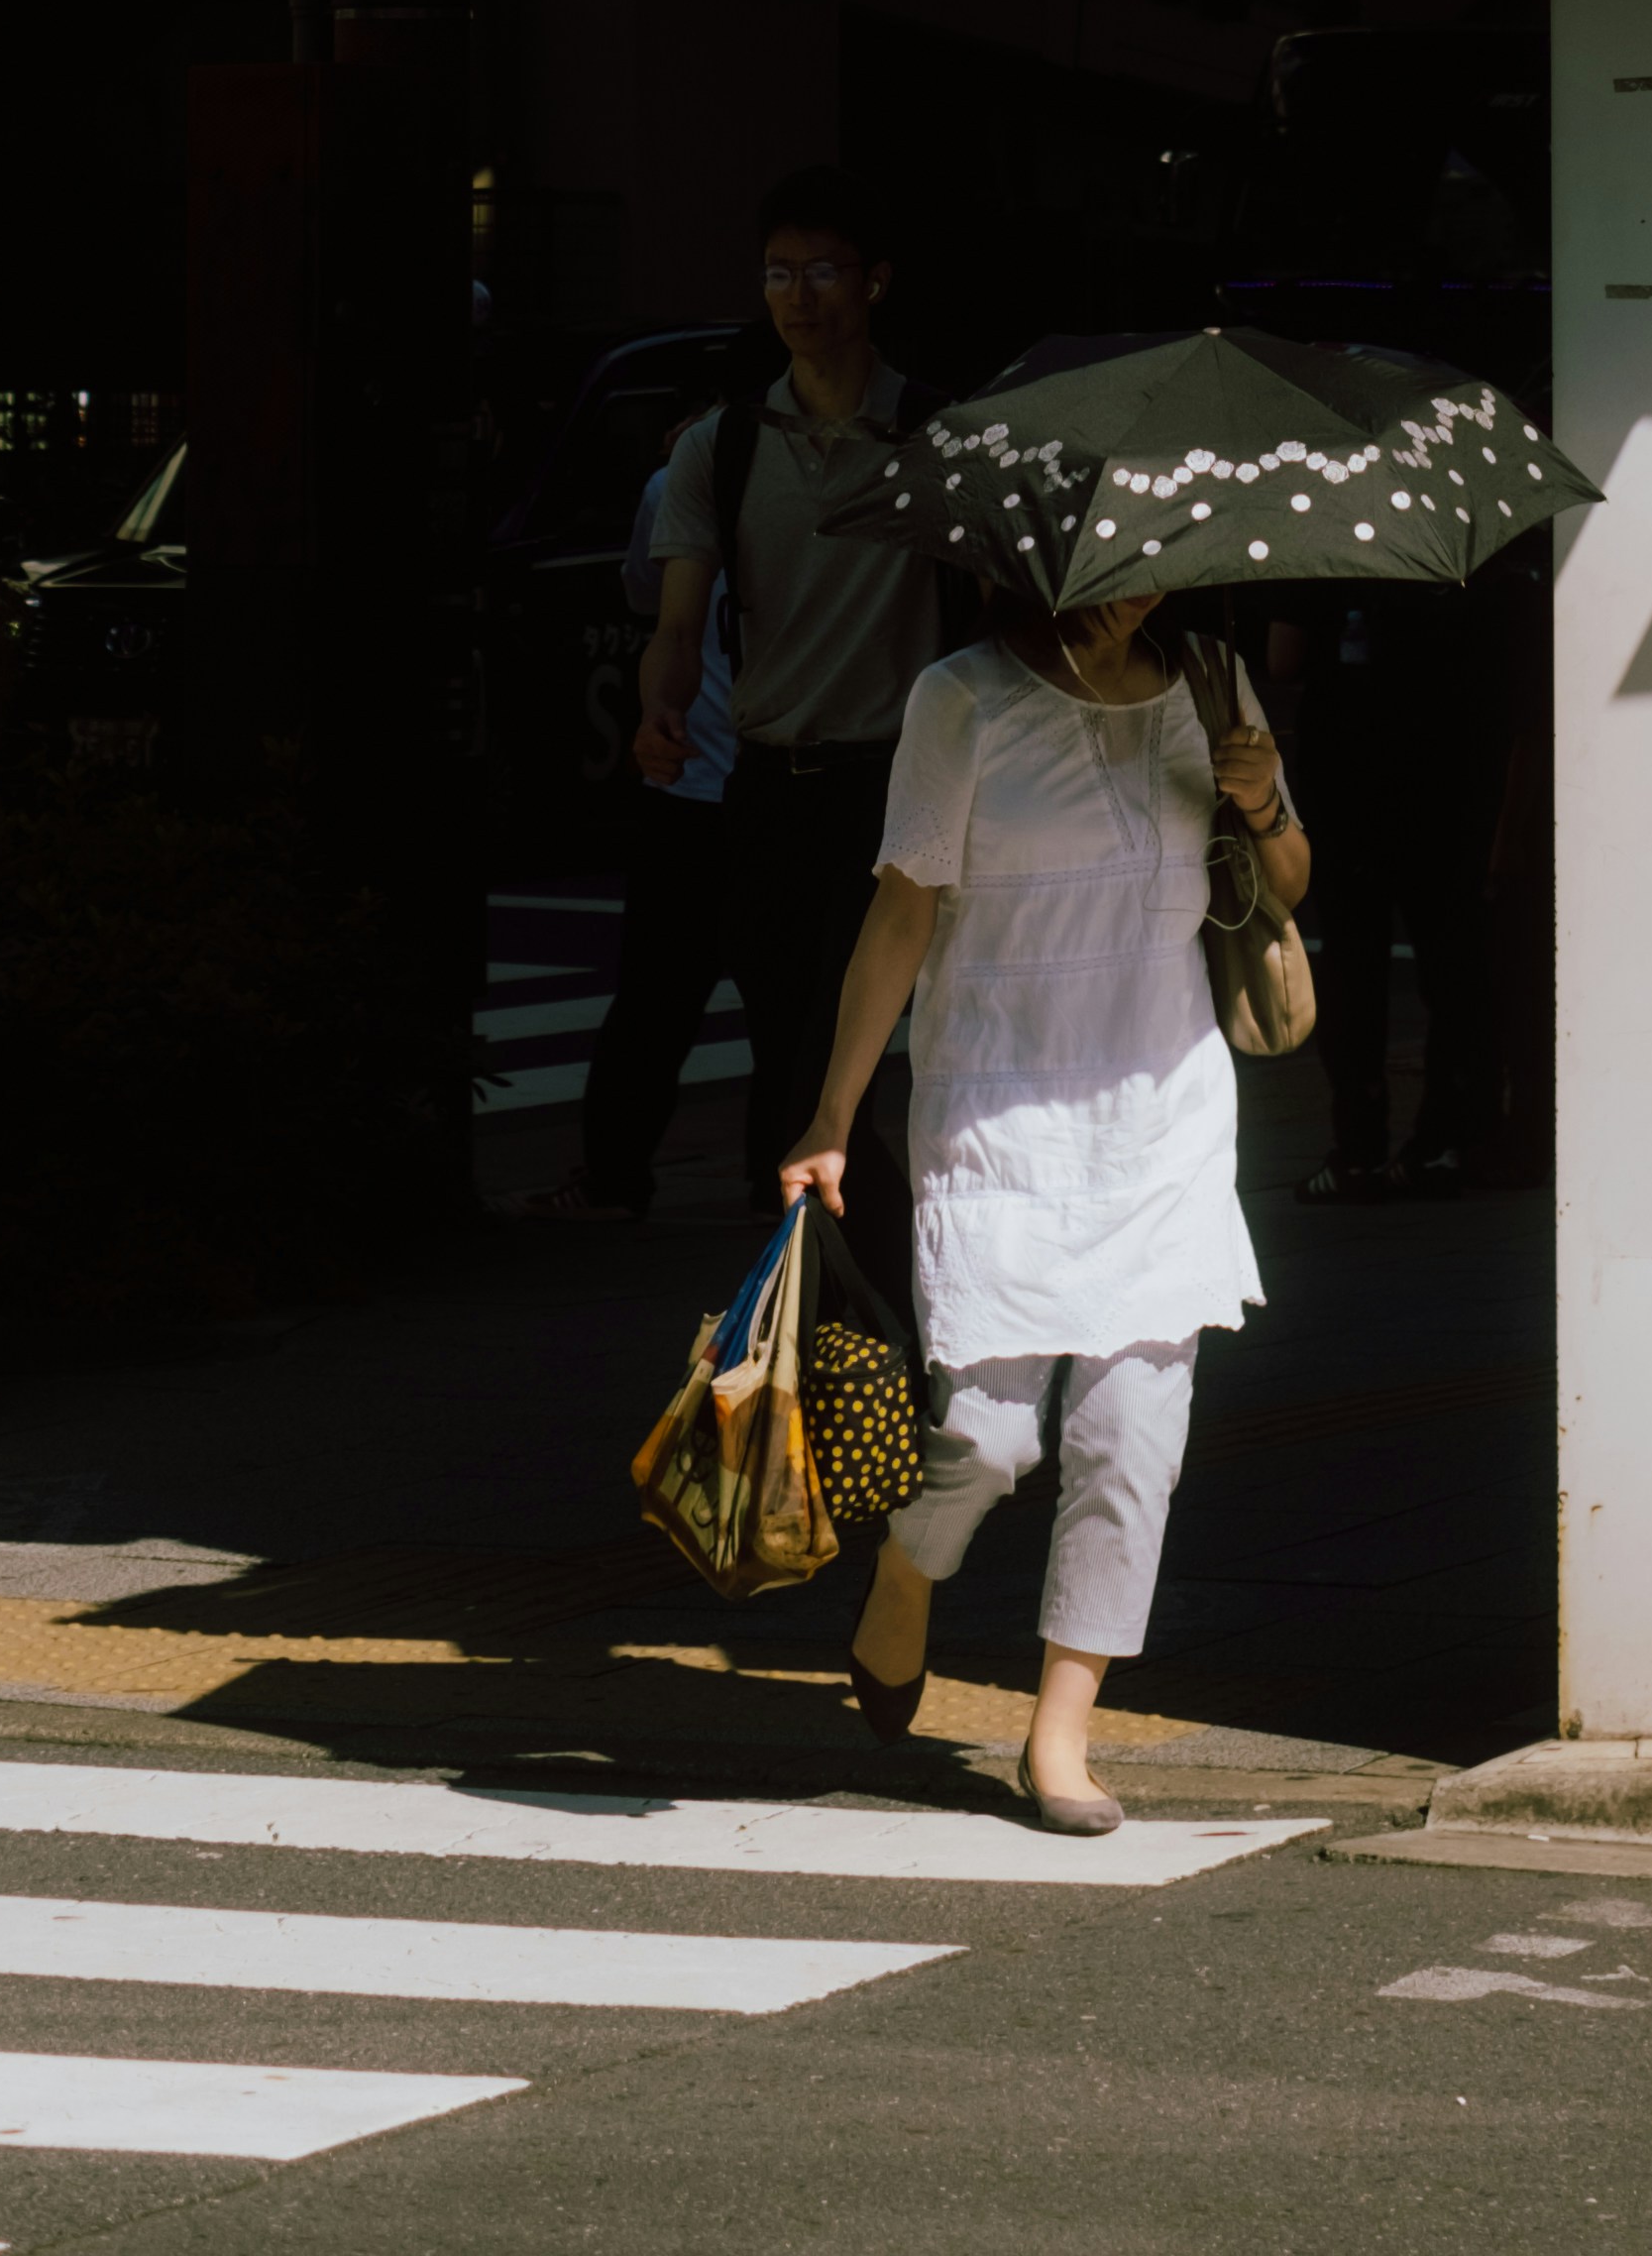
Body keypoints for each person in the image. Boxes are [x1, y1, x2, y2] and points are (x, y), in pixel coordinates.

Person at [780, 576, 1306, 1836]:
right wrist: (833, 1114)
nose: (1140, 586)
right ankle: (906, 1568)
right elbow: (902, 908)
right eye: (1107, 558)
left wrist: (1262, 799)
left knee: (1132, 1444)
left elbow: (1285, 877)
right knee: (990, 1439)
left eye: (1154, 562)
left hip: (1162, 1111)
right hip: (999, 1102)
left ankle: (1058, 1733)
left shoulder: (1210, 682)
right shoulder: (958, 698)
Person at [639, 184, 933, 1294]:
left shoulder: (930, 434)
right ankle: (842, 1313)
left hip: (897, 787)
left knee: (827, 1065)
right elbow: (678, 622)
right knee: (786, 1067)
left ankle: (891, 1310)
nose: (795, 297)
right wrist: (658, 708)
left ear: (874, 282)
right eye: (776, 272)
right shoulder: (723, 446)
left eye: (820, 271)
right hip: (765, 788)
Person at [516, 459, 740, 1224]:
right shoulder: (840, 465)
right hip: (769, 770)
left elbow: (648, 596)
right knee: (792, 1001)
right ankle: (783, 1189)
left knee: (655, 999)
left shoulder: (686, 475)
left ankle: (615, 1177)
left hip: (696, 770)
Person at [1265, 576, 1492, 1200]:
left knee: (1353, 969)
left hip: (1347, 786)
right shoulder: (1439, 553)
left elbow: (1281, 660)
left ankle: (1358, 1150)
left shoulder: (1321, 548)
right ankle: (1441, 1138)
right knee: (1448, 966)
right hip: (1439, 781)